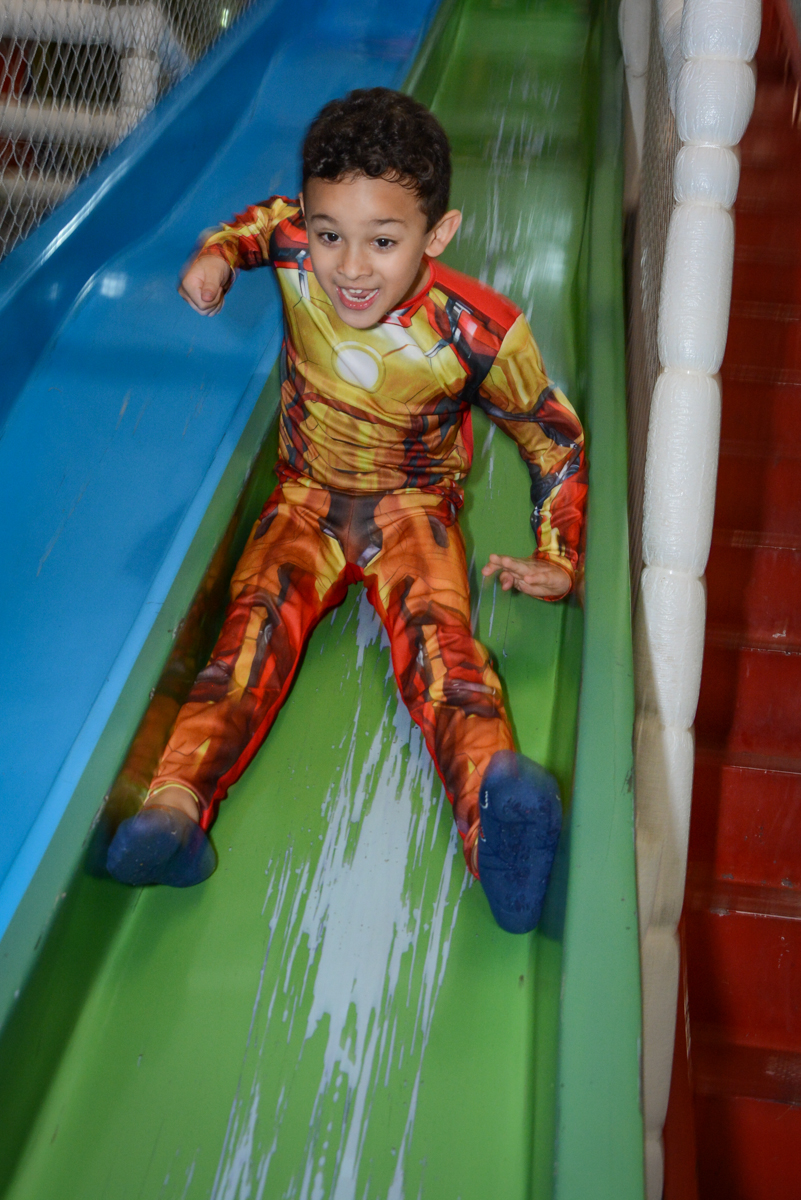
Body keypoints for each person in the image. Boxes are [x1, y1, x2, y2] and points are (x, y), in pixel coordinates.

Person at [106, 87, 587, 934]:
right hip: (304, 498)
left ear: (437, 235)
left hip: (411, 510)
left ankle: (495, 820)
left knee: (441, 650)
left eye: (384, 241)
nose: (351, 267)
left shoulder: (476, 332)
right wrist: (215, 255)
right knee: (248, 633)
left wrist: (560, 551)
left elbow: (552, 440)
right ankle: (174, 812)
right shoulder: (294, 247)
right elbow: (259, 228)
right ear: (311, 223)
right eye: (331, 235)